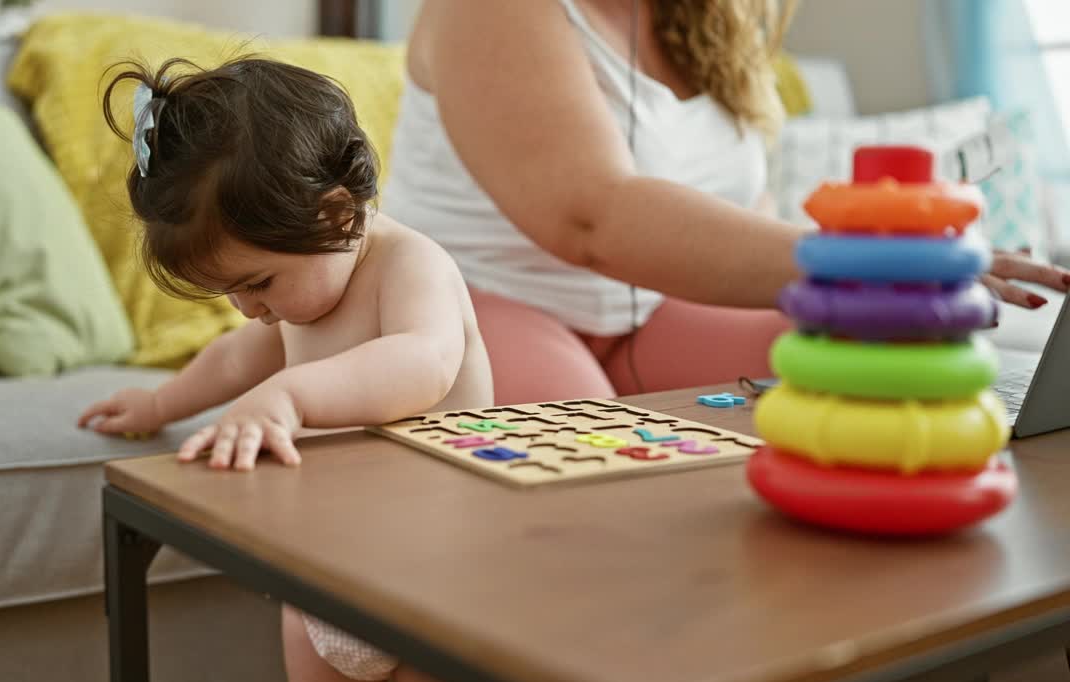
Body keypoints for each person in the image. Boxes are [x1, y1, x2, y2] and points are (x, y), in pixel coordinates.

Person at [381, 0, 1070, 404]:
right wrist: (855, 258)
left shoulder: (710, 21)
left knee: (878, 361)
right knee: (596, 451)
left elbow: (744, 208)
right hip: (483, 302)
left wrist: (883, 288)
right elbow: (593, 214)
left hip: (649, 315)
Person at [77, 57, 492, 682]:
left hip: (443, 570)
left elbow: (425, 361)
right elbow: (239, 359)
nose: (246, 307)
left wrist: (291, 396)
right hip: (328, 563)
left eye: (257, 283)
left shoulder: (411, 265)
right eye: (229, 290)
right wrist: (161, 403)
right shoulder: (296, 305)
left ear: (334, 215)